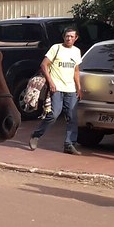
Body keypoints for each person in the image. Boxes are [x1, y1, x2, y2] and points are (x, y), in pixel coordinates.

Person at [28, 27, 83, 155]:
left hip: (70, 89)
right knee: (54, 114)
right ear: (63, 37)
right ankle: (36, 135)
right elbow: (44, 65)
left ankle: (69, 144)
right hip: (57, 88)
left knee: (72, 117)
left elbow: (76, 70)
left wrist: (79, 88)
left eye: (71, 36)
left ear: (76, 38)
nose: (68, 38)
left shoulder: (76, 51)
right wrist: (51, 82)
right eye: (66, 36)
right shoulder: (56, 48)